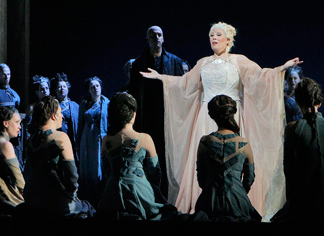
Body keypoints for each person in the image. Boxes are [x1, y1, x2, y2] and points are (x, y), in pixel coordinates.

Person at [140, 21, 300, 218]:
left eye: (217, 35)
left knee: (233, 158)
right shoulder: (203, 63)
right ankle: (206, 200)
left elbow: (260, 76)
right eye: (211, 35)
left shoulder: (238, 60)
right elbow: (185, 83)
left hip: (232, 116)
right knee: (206, 159)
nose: (213, 38)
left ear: (227, 39)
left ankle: (236, 199)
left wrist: (281, 68)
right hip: (206, 118)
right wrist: (161, 77)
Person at [272, 78, 324, 224]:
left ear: (298, 103)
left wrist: (292, 199)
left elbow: (288, 168)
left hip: (304, 198)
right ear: (319, 103)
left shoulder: (292, 128)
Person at [98, 92, 179, 220]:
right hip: (139, 190)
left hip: (111, 193)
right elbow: (155, 173)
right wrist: (152, 190)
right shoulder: (144, 138)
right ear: (133, 114)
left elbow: (107, 171)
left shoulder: (106, 140)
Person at [128, 26, 189, 195]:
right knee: (149, 158)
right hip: (146, 119)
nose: (156, 38)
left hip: (169, 118)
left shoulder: (175, 62)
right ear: (147, 39)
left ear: (163, 38)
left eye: (159, 35)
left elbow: (182, 90)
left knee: (169, 159)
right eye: (152, 35)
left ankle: (170, 196)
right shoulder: (139, 63)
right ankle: (150, 194)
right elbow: (133, 93)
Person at [23, 96, 94, 217]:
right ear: (53, 116)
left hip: (33, 198)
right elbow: (72, 175)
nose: (62, 116)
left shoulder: (31, 139)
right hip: (55, 201)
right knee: (88, 208)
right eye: (60, 113)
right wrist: (72, 195)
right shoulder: (60, 137)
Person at [193, 94, 259, 222]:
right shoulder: (244, 144)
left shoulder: (205, 142)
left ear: (212, 116)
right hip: (238, 202)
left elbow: (201, 178)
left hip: (209, 202)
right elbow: (249, 178)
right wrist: (239, 192)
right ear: (232, 113)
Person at [77, 76, 109, 205]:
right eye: (92, 87)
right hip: (88, 138)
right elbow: (80, 123)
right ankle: (89, 198)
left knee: (100, 168)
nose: (95, 88)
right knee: (88, 167)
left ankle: (101, 199)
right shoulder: (84, 104)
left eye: (97, 86)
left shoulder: (107, 102)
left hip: (101, 138)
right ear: (89, 90)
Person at [52, 73, 79, 153]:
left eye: (64, 86)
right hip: (58, 140)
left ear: (68, 88)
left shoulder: (75, 106)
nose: (62, 89)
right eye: (59, 87)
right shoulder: (53, 105)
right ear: (56, 90)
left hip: (72, 140)